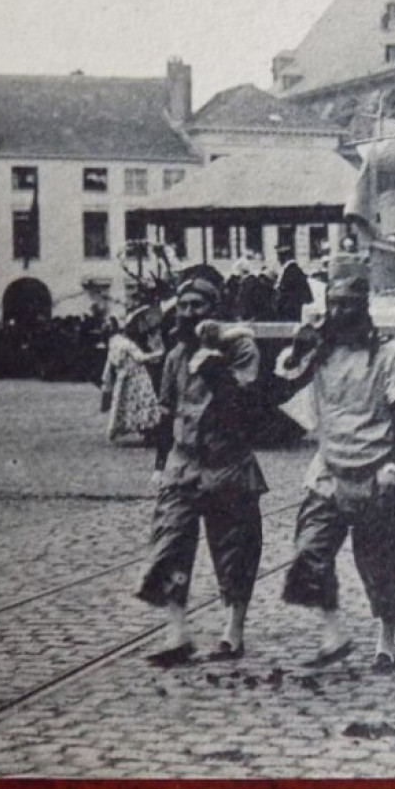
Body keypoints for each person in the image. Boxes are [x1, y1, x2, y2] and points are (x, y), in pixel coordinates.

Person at [275, 253, 395, 673]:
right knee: (310, 550)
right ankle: (333, 632)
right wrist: (299, 347)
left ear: (364, 308)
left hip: (377, 470)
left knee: (384, 563)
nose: (340, 313)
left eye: (349, 305)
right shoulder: (320, 353)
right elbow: (280, 384)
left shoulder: (389, 355)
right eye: (334, 305)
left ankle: (386, 641)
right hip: (330, 469)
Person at [136, 274, 267, 666]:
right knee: (170, 546)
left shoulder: (240, 348)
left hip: (227, 463)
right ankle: (177, 634)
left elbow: (243, 405)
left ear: (215, 310)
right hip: (183, 463)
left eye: (199, 306)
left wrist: (211, 360)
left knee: (235, 550)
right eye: (185, 306)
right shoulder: (176, 356)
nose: (190, 314)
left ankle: (233, 631)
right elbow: (166, 412)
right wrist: (161, 464)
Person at [100, 306, 164, 443]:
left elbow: (111, 363)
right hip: (137, 376)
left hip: (122, 376)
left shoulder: (112, 343)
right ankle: (147, 428)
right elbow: (140, 358)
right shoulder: (126, 343)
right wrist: (159, 353)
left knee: (122, 403)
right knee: (143, 403)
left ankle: (121, 428)